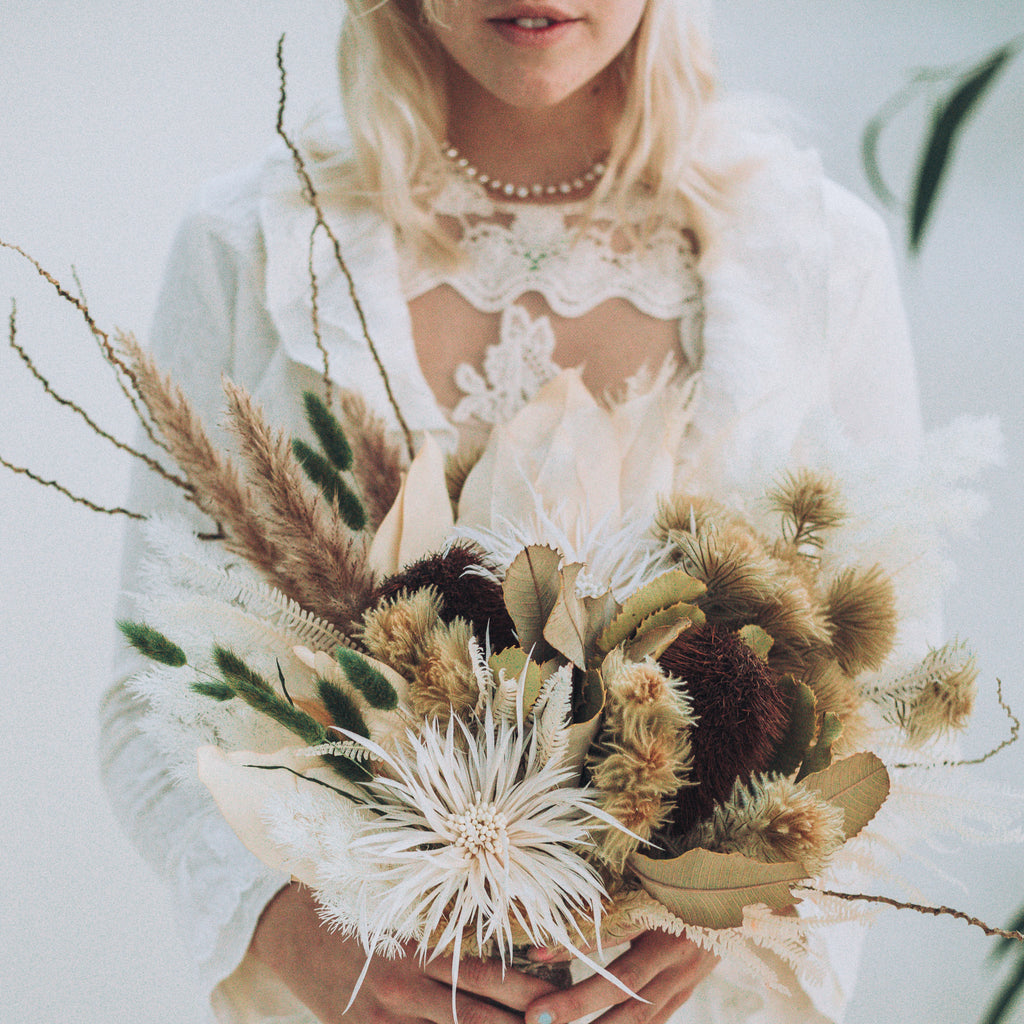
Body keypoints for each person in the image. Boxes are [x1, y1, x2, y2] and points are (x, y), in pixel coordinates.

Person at [99, 2, 923, 1023]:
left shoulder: (818, 254)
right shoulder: (251, 244)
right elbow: (147, 703)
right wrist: (284, 927)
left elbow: (895, 703)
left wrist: (739, 909)